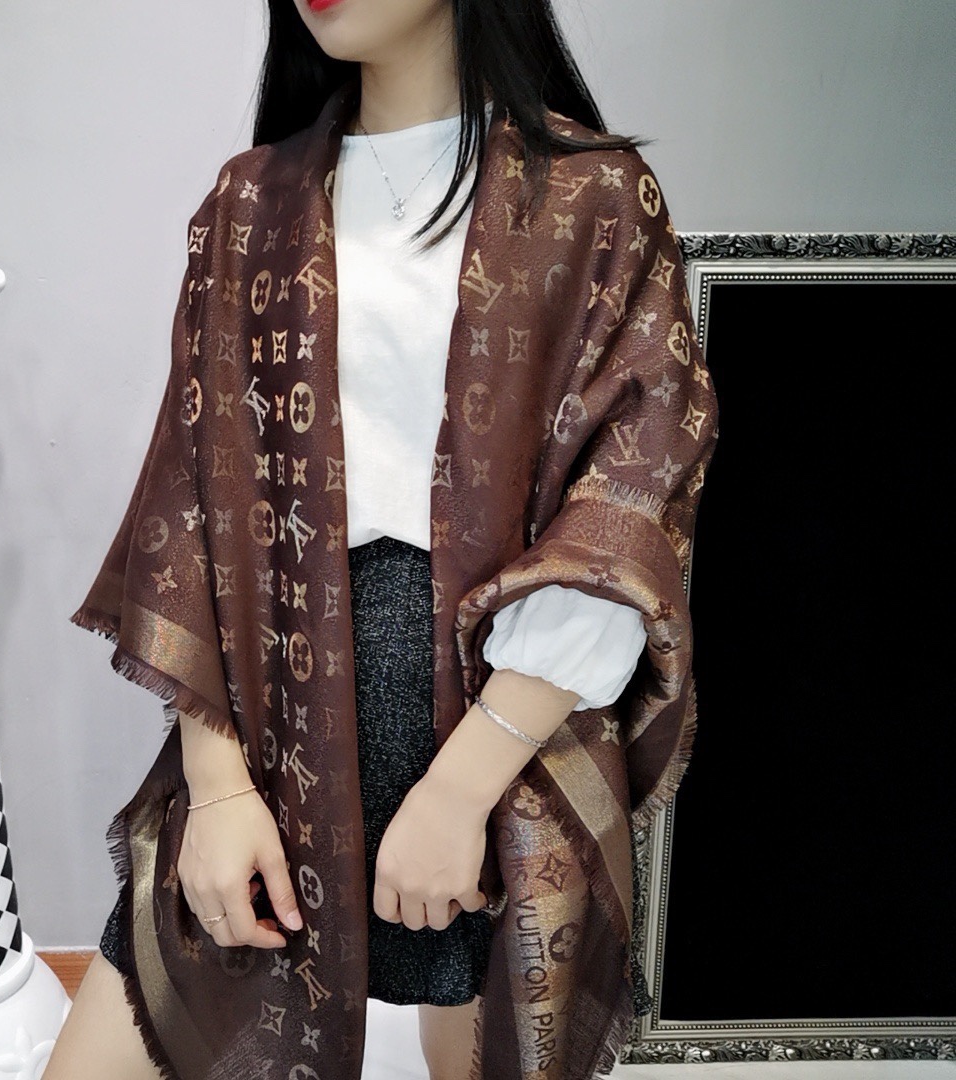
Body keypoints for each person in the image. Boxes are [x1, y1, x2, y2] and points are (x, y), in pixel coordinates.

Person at [44, 1, 717, 1078]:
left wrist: (461, 788)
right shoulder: (251, 202)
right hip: (278, 715)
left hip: (491, 728)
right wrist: (217, 787)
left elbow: (627, 505)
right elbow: (192, 502)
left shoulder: (593, 197)